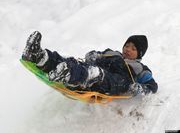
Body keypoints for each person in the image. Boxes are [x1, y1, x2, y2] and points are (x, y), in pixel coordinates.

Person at [22, 31, 158, 96]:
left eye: (133, 49)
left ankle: (67, 74)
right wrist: (93, 55)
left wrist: (141, 89)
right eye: (127, 45)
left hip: (116, 82)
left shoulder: (140, 68)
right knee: (73, 62)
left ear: (139, 55)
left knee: (97, 74)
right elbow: (94, 54)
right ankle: (40, 57)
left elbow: (152, 85)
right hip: (93, 70)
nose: (128, 49)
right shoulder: (111, 53)